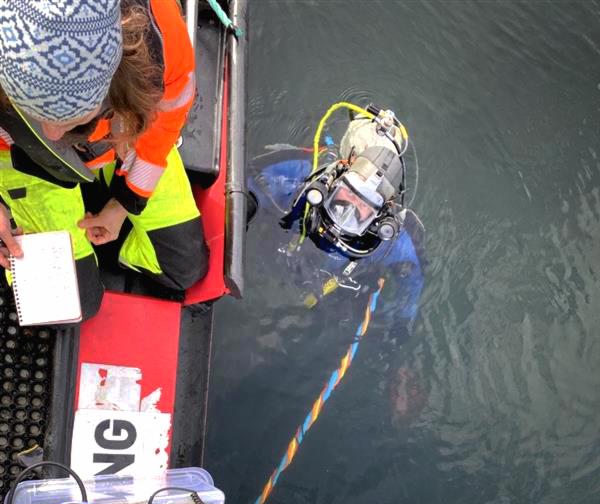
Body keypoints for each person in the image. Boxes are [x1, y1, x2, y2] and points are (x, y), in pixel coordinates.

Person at [0, 0, 208, 320]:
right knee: (70, 306)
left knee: (183, 267)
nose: (53, 136)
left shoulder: (162, 40)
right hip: (20, 162)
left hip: (121, 141)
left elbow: (165, 122)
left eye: (74, 122)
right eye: (34, 117)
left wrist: (124, 203)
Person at [247, 106, 427, 344]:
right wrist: (247, 206)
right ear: (340, 176)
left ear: (382, 213)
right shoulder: (303, 176)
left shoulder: (393, 242)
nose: (349, 208)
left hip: (337, 286)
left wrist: (401, 322)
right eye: (349, 192)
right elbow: (249, 181)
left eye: (365, 205)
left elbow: (412, 283)